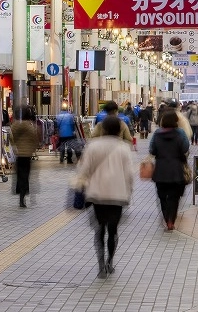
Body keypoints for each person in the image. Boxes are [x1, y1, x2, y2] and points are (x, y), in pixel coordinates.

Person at [73, 115, 134, 278]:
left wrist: (80, 185)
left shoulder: (93, 146)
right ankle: (110, 261)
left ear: (103, 128)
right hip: (117, 195)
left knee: (99, 230)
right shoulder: (123, 148)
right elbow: (129, 174)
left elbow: (84, 170)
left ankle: (100, 266)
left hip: (97, 194)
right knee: (113, 230)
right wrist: (129, 191)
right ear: (119, 130)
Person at [150, 110, 190, 231]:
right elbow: (185, 148)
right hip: (176, 169)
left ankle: (166, 217)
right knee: (174, 197)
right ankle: (171, 221)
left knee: (162, 197)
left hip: (161, 169)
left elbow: (152, 150)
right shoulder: (181, 133)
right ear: (176, 121)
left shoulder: (157, 134)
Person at [10, 106, 39, 207]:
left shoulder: (15, 125)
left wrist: (15, 146)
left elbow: (11, 136)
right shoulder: (29, 126)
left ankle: (21, 195)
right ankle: (23, 195)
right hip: (27, 155)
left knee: (19, 175)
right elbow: (35, 139)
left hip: (19, 155)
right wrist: (32, 149)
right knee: (25, 175)